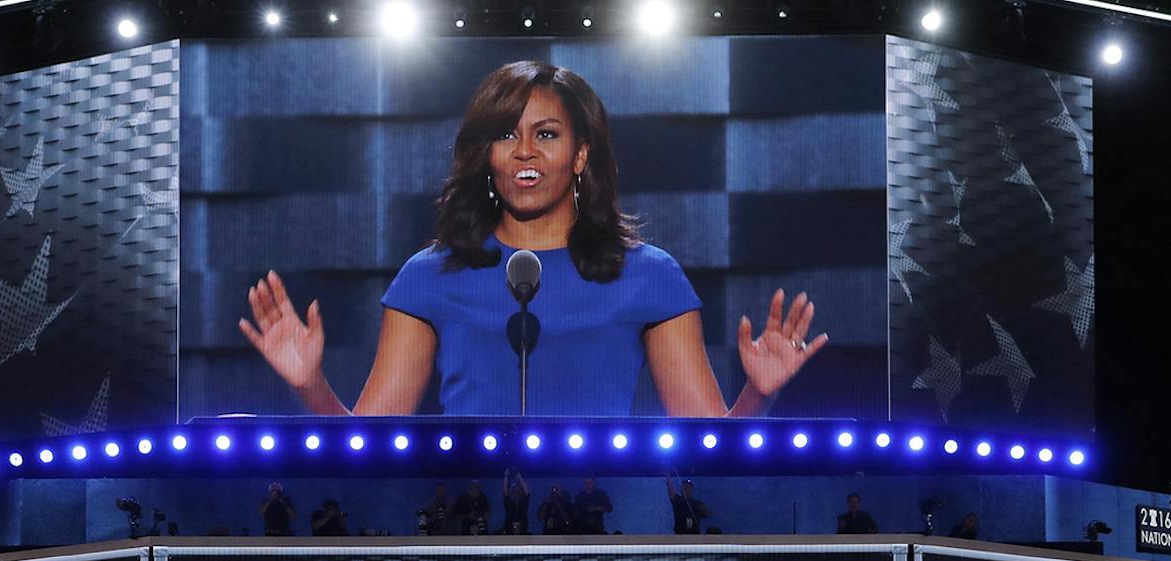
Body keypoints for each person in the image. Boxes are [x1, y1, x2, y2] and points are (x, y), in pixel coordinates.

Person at [238, 62, 824, 418]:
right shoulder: (428, 275)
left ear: (580, 154)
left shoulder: (649, 275)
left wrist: (758, 394)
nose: (524, 152)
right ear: (485, 155)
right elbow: (365, 451)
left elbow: (707, 448)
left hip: (606, 545)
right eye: (505, 135)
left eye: (546, 134)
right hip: (464, 543)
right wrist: (309, 385)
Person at [496, 470, 531, 535]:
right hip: (509, 533)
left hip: (522, 532)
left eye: (518, 492)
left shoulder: (523, 504)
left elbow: (527, 493)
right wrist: (506, 476)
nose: (516, 493)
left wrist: (520, 478)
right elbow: (506, 493)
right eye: (514, 491)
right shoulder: (509, 504)